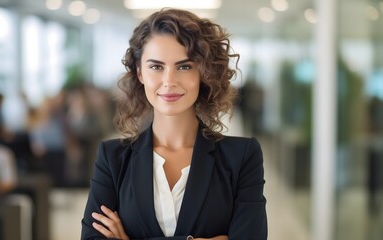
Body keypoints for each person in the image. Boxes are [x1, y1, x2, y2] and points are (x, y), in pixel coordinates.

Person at [81, 8, 267, 240]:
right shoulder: (112, 158)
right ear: (140, 72)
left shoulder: (241, 156)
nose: (169, 81)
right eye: (156, 67)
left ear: (203, 72)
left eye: (184, 66)